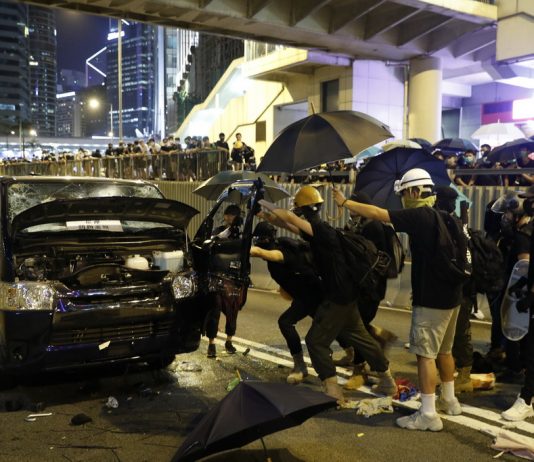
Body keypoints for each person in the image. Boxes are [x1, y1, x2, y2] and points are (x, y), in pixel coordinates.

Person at [333, 168, 465, 431]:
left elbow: (379, 214)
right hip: (453, 296)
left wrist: (345, 202)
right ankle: (450, 401)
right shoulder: (445, 215)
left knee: (425, 355)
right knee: (445, 351)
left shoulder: (421, 215)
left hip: (432, 300)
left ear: (415, 191)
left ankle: (428, 414)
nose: (404, 199)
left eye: (405, 193)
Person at [259, 185, 396, 403]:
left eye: (297, 207)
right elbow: (288, 224)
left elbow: (289, 218)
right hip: (348, 294)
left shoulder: (320, 230)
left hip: (338, 297)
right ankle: (387, 381)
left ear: (303, 209)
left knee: (315, 341)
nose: (294, 210)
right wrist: (265, 214)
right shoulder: (321, 230)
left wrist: (265, 203)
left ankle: (332, 390)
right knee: (361, 338)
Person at [335, 191, 398, 390]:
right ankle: (379, 336)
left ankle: (359, 371)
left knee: (357, 328)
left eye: (352, 205)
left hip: (371, 287)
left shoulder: (373, 227)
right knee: (352, 324)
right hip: (360, 285)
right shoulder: (358, 224)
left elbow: (364, 256)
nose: (349, 209)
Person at [250, 221, 322, 384]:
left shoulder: (279, 253)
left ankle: (301, 367)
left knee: (289, 324)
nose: (257, 242)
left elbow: (262, 252)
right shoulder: (280, 247)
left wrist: (241, 249)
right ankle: (355, 355)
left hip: (312, 295)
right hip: (305, 295)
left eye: (258, 239)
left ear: (265, 239)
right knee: (340, 329)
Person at [434, 185, 475, 393]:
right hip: (455, 287)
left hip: (460, 288)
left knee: (459, 334)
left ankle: (465, 376)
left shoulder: (454, 225)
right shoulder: (454, 223)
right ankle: (450, 374)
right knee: (448, 337)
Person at [502, 186, 534, 421]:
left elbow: (526, 264)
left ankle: (527, 399)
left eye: (530, 199)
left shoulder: (527, 233)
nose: (527, 203)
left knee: (531, 351)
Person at [205, 204, 243, 357]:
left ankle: (229, 341)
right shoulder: (218, 231)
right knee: (214, 310)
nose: (230, 218)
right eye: (228, 215)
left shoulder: (240, 235)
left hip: (233, 278)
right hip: (217, 276)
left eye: (233, 215)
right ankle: (211, 344)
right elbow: (213, 241)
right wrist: (229, 230)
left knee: (233, 311)